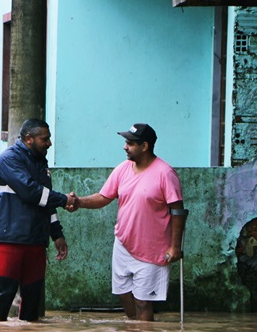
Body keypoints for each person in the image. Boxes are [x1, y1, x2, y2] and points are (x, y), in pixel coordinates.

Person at [67, 123, 185, 321]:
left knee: (143, 301)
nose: (125, 147)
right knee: (124, 294)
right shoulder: (122, 169)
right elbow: (104, 197)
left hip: (153, 248)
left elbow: (178, 211)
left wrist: (175, 247)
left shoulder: (165, 173)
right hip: (123, 243)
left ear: (145, 146)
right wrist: (78, 202)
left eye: (130, 143)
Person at [0, 118, 75, 322]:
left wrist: (57, 234)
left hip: (35, 237)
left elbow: (45, 200)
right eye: (45, 139)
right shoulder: (9, 159)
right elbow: (32, 192)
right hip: (9, 237)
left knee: (33, 295)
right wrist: (65, 200)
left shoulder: (40, 163)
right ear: (28, 139)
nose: (49, 143)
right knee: (6, 293)